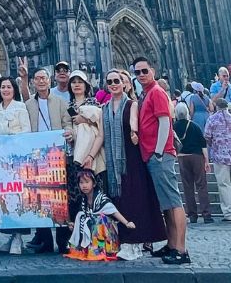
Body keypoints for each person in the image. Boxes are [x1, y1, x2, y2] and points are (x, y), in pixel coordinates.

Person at [101, 68, 166, 261]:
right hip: (113, 162)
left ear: (125, 84)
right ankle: (125, 242)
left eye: (117, 81)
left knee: (134, 199)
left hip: (130, 157)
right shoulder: (104, 108)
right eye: (110, 82)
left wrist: (134, 132)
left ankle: (135, 243)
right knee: (120, 200)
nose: (113, 84)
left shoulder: (132, 104)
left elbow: (133, 122)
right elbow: (100, 132)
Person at [132, 56, 189, 266]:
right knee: (166, 203)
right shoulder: (146, 93)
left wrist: (157, 152)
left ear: (152, 71)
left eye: (144, 71)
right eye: (137, 72)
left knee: (173, 202)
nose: (141, 75)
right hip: (152, 154)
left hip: (160, 154)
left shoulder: (156, 92)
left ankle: (181, 250)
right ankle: (171, 244)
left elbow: (165, 122)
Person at [22, 67, 70, 255]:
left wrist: (68, 132)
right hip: (36, 156)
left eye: (44, 78)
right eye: (38, 78)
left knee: (60, 197)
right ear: (33, 82)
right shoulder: (28, 105)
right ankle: (45, 240)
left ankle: (63, 240)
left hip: (56, 154)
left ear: (49, 81)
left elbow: (67, 123)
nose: (41, 81)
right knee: (38, 198)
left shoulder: (60, 102)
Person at [63, 168, 135, 261]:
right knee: (82, 216)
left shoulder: (101, 198)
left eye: (87, 182)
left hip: (105, 232)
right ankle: (84, 249)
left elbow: (113, 211)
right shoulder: (83, 200)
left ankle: (100, 250)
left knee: (99, 219)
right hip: (91, 228)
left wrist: (126, 223)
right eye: (81, 183)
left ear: (94, 184)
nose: (84, 185)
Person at [0, 76, 31, 254]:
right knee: (5, 198)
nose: (6, 90)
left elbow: (26, 130)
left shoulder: (20, 106)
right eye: (3, 87)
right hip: (2, 158)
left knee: (19, 197)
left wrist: (9, 136)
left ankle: (18, 237)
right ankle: (11, 235)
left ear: (14, 89)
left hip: (17, 157)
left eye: (9, 87)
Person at [65, 69, 104, 225]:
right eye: (73, 82)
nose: (77, 85)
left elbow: (101, 125)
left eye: (80, 82)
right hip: (75, 154)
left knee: (94, 193)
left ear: (86, 85)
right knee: (77, 194)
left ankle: (97, 231)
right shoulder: (68, 105)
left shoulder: (93, 103)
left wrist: (85, 120)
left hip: (92, 153)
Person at [204, 99, 231, 222]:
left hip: (220, 155)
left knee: (224, 185)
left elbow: (207, 136)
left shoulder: (212, 119)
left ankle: (228, 213)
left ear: (216, 106)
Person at [173, 101, 212, 224]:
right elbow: (203, 144)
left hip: (182, 157)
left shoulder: (173, 127)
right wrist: (207, 161)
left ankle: (192, 215)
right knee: (201, 185)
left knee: (187, 187)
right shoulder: (194, 126)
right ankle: (206, 214)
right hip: (197, 157)